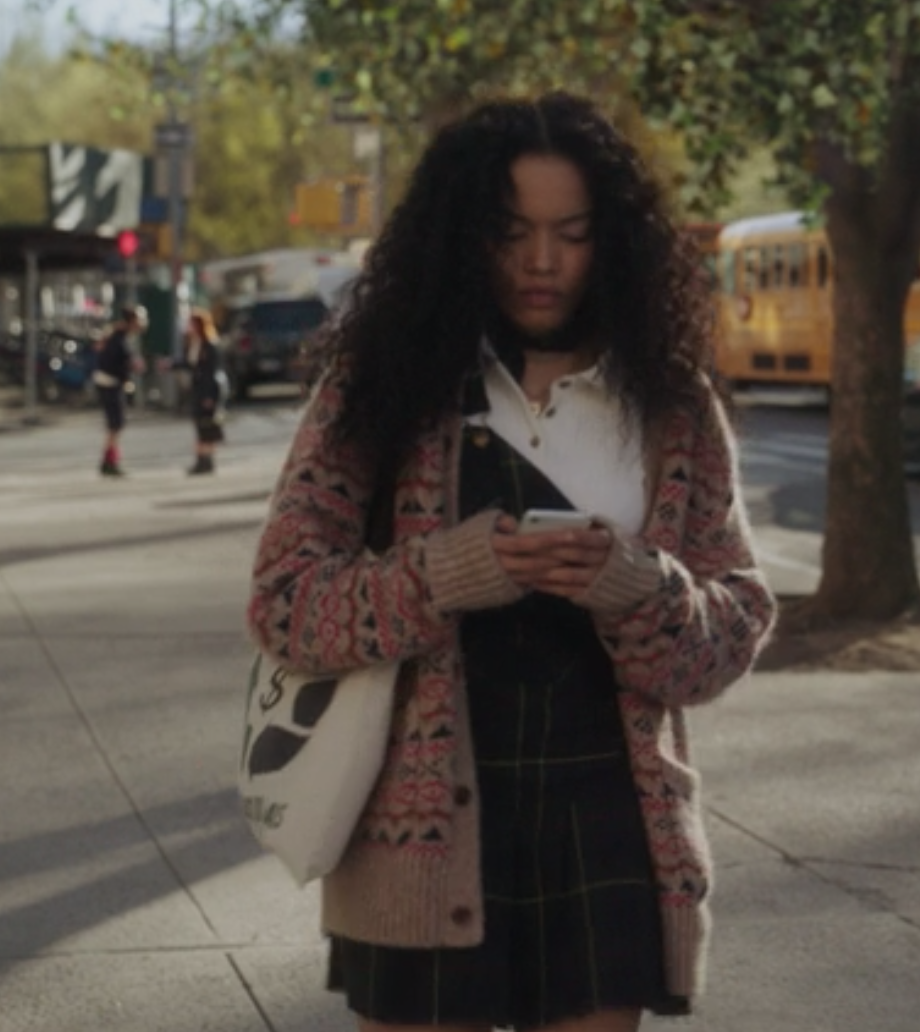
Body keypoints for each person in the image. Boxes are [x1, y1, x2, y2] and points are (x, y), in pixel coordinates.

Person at [247, 93, 777, 1032]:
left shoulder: (669, 404)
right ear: (460, 237)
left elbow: (730, 629)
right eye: (510, 232)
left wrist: (635, 585)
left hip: (607, 811)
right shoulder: (384, 386)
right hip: (417, 823)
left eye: (571, 233)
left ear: (610, 239)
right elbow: (286, 603)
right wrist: (445, 571)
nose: (542, 261)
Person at [92, 304, 147, 477]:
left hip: (111, 382)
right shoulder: (118, 338)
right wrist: (129, 369)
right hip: (110, 383)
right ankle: (109, 461)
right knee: (116, 424)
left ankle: (110, 460)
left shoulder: (119, 336)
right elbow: (114, 361)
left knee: (116, 424)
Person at [182, 308, 227, 475]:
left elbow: (210, 371)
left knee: (208, 424)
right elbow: (190, 365)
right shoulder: (194, 343)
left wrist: (209, 395)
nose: (189, 327)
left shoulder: (210, 345)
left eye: (192, 324)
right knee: (199, 424)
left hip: (208, 390)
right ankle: (201, 458)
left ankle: (206, 460)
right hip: (197, 390)